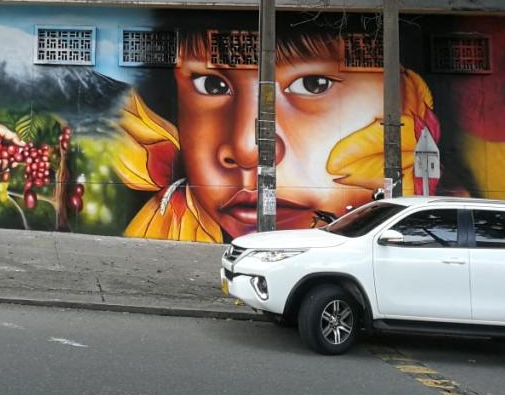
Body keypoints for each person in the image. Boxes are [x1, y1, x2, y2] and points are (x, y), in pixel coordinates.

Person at [117, 23, 440, 242]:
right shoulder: (171, 218)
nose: (248, 149)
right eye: (212, 85)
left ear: (403, 94)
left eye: (314, 85)